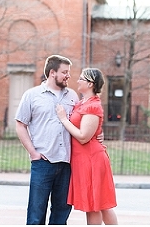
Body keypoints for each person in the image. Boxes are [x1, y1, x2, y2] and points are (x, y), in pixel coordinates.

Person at [15, 54, 79, 225]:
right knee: (36, 213)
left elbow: (82, 121)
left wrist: (97, 133)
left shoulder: (72, 96)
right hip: (43, 162)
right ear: (52, 73)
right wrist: (33, 153)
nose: (68, 76)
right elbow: (20, 124)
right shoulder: (32, 95)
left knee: (61, 213)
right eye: (64, 72)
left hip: (66, 163)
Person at [56, 68, 118, 225]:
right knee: (97, 204)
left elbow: (83, 137)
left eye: (81, 79)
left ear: (90, 84)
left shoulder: (93, 106)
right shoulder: (82, 103)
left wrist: (64, 119)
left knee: (96, 205)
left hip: (92, 160)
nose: (78, 81)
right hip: (83, 160)